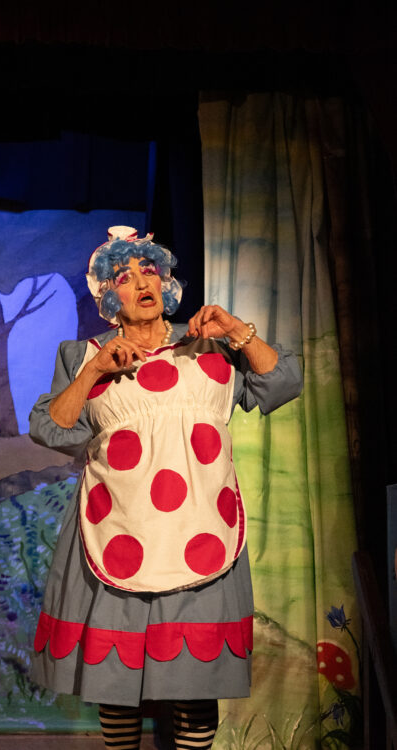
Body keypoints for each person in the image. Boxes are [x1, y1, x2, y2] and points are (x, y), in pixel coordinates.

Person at [29, 226, 303, 750]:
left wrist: (238, 331)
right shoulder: (84, 353)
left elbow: (282, 383)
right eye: (123, 277)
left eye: (149, 271)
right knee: (116, 690)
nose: (141, 283)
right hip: (117, 532)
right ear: (108, 295)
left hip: (201, 531)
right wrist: (94, 371)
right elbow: (53, 429)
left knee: (195, 687)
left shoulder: (211, 344)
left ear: (166, 282)